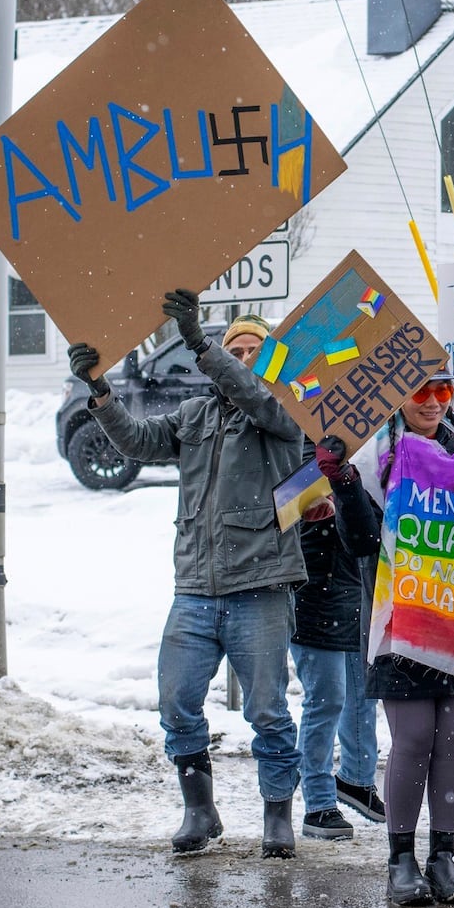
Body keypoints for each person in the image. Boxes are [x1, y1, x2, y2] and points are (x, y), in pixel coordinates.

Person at [66, 292, 303, 858]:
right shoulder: (195, 415)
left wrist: (200, 343)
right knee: (175, 702)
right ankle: (199, 809)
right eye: (233, 349)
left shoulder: (284, 413)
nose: (241, 360)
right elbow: (139, 441)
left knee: (267, 711)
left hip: (259, 590)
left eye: (253, 351)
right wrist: (99, 392)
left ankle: (277, 816)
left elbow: (252, 393)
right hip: (195, 590)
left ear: (270, 363)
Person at [330, 373, 454, 906]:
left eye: (441, 392)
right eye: (419, 392)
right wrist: (343, 483)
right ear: (395, 396)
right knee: (414, 739)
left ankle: (443, 857)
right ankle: (400, 859)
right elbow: (358, 539)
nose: (431, 403)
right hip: (401, 619)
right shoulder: (374, 454)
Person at [288, 442, 384, 841]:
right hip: (313, 590)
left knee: (363, 693)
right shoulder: (290, 444)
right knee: (326, 700)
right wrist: (307, 506)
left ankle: (357, 781)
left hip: (356, 588)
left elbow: (369, 529)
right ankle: (318, 802)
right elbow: (273, 510)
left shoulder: (367, 446)